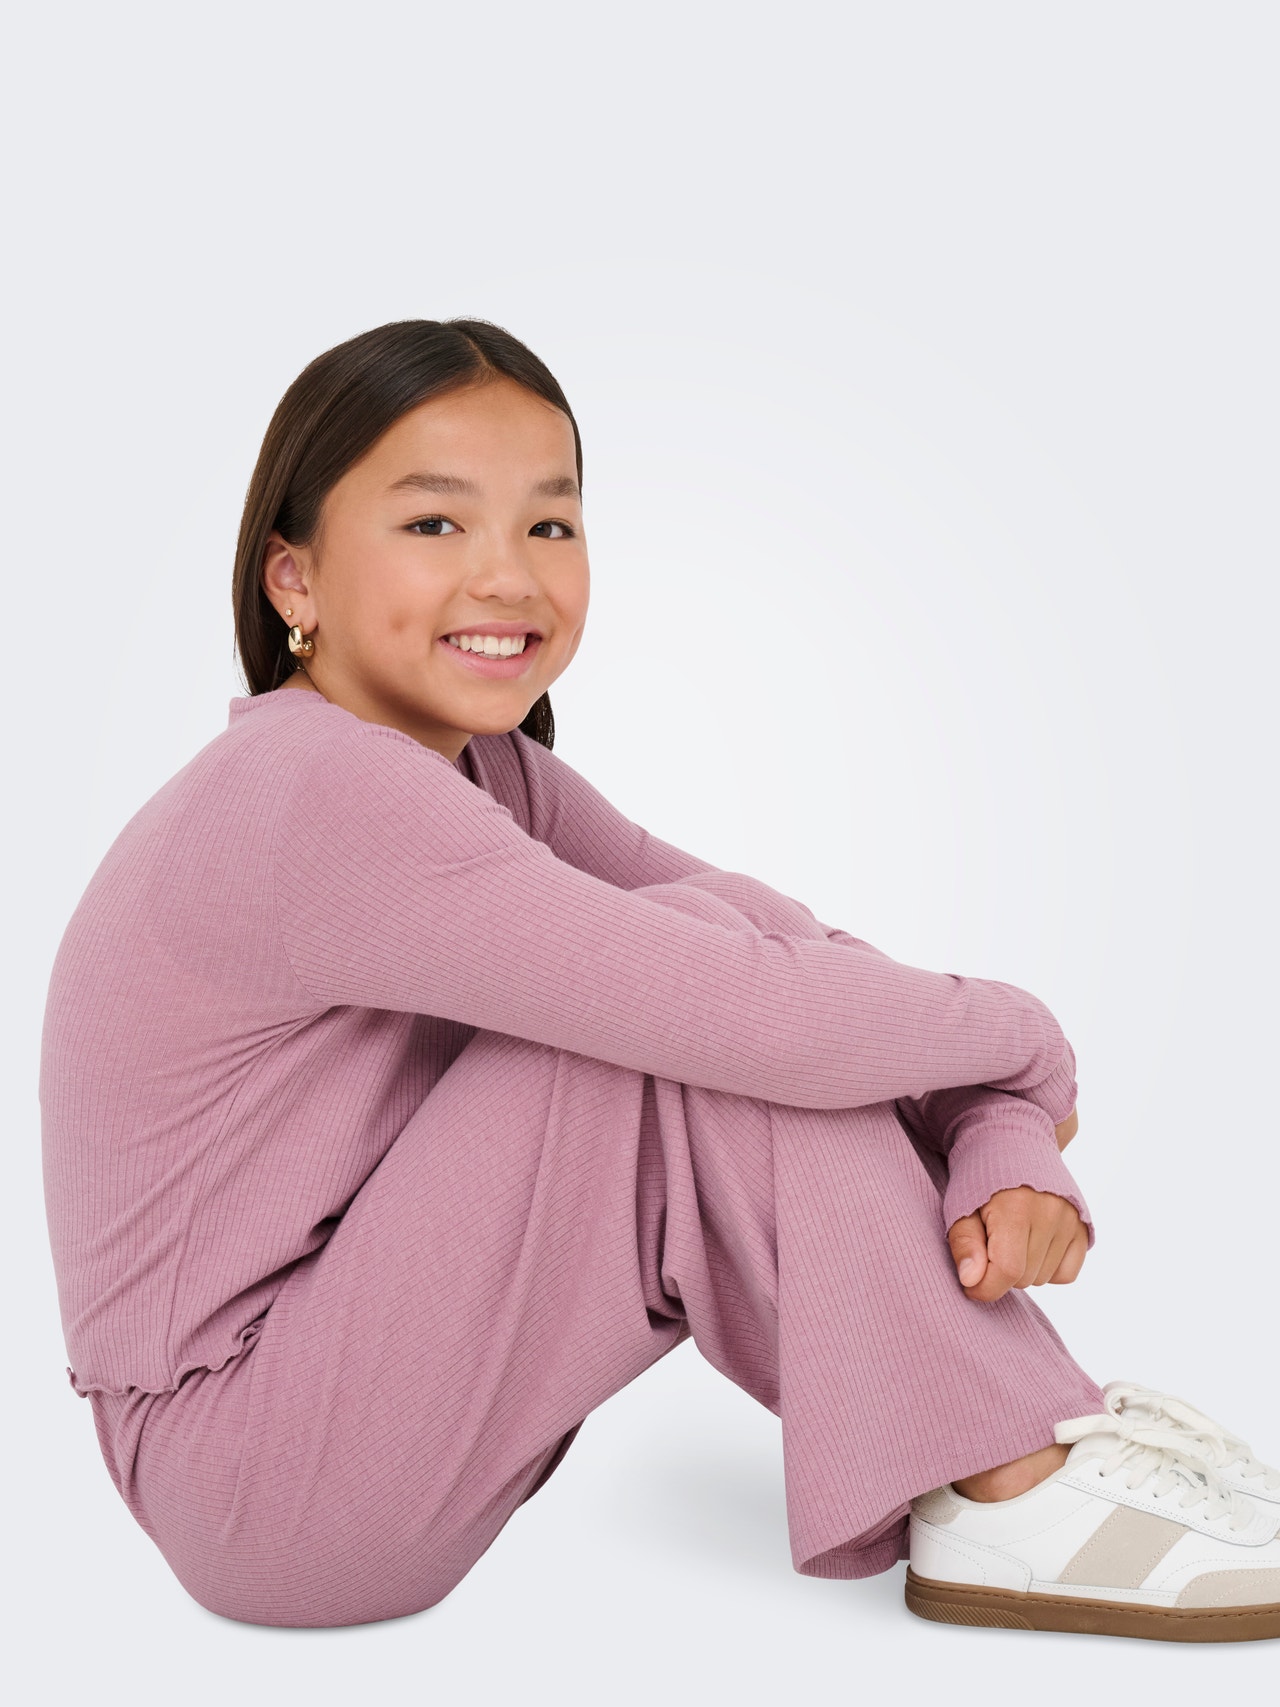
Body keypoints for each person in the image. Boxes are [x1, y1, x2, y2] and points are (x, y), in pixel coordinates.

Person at [40, 317, 1280, 1640]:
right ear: (294, 579)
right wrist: (1026, 1047)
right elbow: (757, 1019)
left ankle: (1010, 1450)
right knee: (683, 1024)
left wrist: (998, 1124)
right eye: (434, 524)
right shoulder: (310, 791)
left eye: (550, 525)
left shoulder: (483, 777)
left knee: (708, 947)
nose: (507, 575)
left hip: (345, 1419)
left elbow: (789, 952)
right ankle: (1008, 1474)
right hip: (257, 1468)